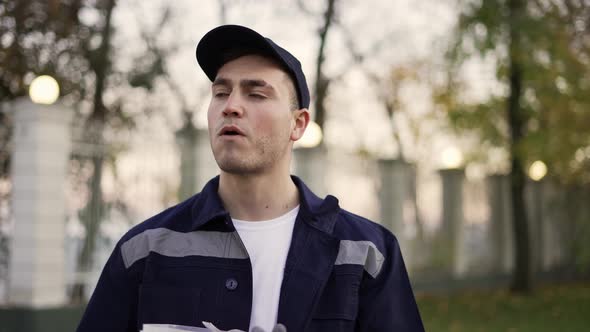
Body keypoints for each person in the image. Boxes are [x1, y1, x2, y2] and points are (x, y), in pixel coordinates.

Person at [76, 24, 424, 332]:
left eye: (256, 93)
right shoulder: (145, 249)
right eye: (221, 92)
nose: (231, 106)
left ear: (298, 124)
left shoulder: (365, 253)